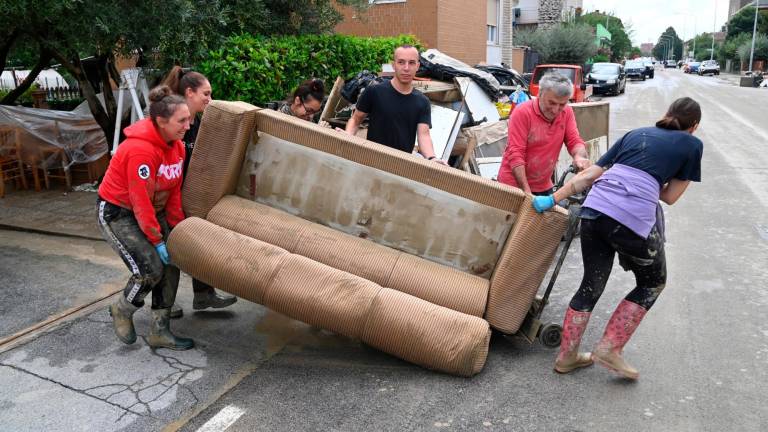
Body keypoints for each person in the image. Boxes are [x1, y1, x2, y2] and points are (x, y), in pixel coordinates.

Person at [533, 97, 704, 380]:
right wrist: (650, 180)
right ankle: (609, 349)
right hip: (629, 220)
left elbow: (588, 176)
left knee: (591, 283)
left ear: (666, 114)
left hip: (594, 211)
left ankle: (567, 357)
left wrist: (551, 199)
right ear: (694, 126)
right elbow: (670, 197)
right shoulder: (692, 145)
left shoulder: (635, 135)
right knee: (652, 283)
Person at [97, 85, 194, 350]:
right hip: (119, 212)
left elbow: (174, 190)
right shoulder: (140, 150)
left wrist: (175, 230)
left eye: (189, 119)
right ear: (161, 122)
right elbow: (139, 202)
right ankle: (122, 309)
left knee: (172, 263)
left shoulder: (177, 147)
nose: (188, 125)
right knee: (150, 268)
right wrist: (156, 239)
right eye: (182, 120)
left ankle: (159, 331)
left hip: (154, 209)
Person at [160, 67, 238, 318]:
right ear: (189, 92)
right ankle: (164, 304)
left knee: (200, 244)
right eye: (206, 94)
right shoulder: (172, 121)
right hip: (166, 196)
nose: (210, 100)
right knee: (169, 250)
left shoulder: (199, 122)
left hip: (188, 193)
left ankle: (203, 295)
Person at [344, 45, 445, 164]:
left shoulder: (422, 102)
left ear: (417, 66)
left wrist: (432, 158)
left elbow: (424, 135)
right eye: (401, 62)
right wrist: (347, 136)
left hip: (401, 166)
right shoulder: (374, 92)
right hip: (372, 161)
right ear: (393, 65)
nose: (406, 68)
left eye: (411, 63)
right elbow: (356, 120)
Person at [498, 72, 591, 195]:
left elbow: (574, 141)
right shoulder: (522, 113)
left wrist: (579, 156)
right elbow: (516, 154)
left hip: (543, 185)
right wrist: (526, 192)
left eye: (562, 104)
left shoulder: (567, 112)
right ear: (539, 94)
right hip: (513, 185)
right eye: (551, 103)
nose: (555, 110)